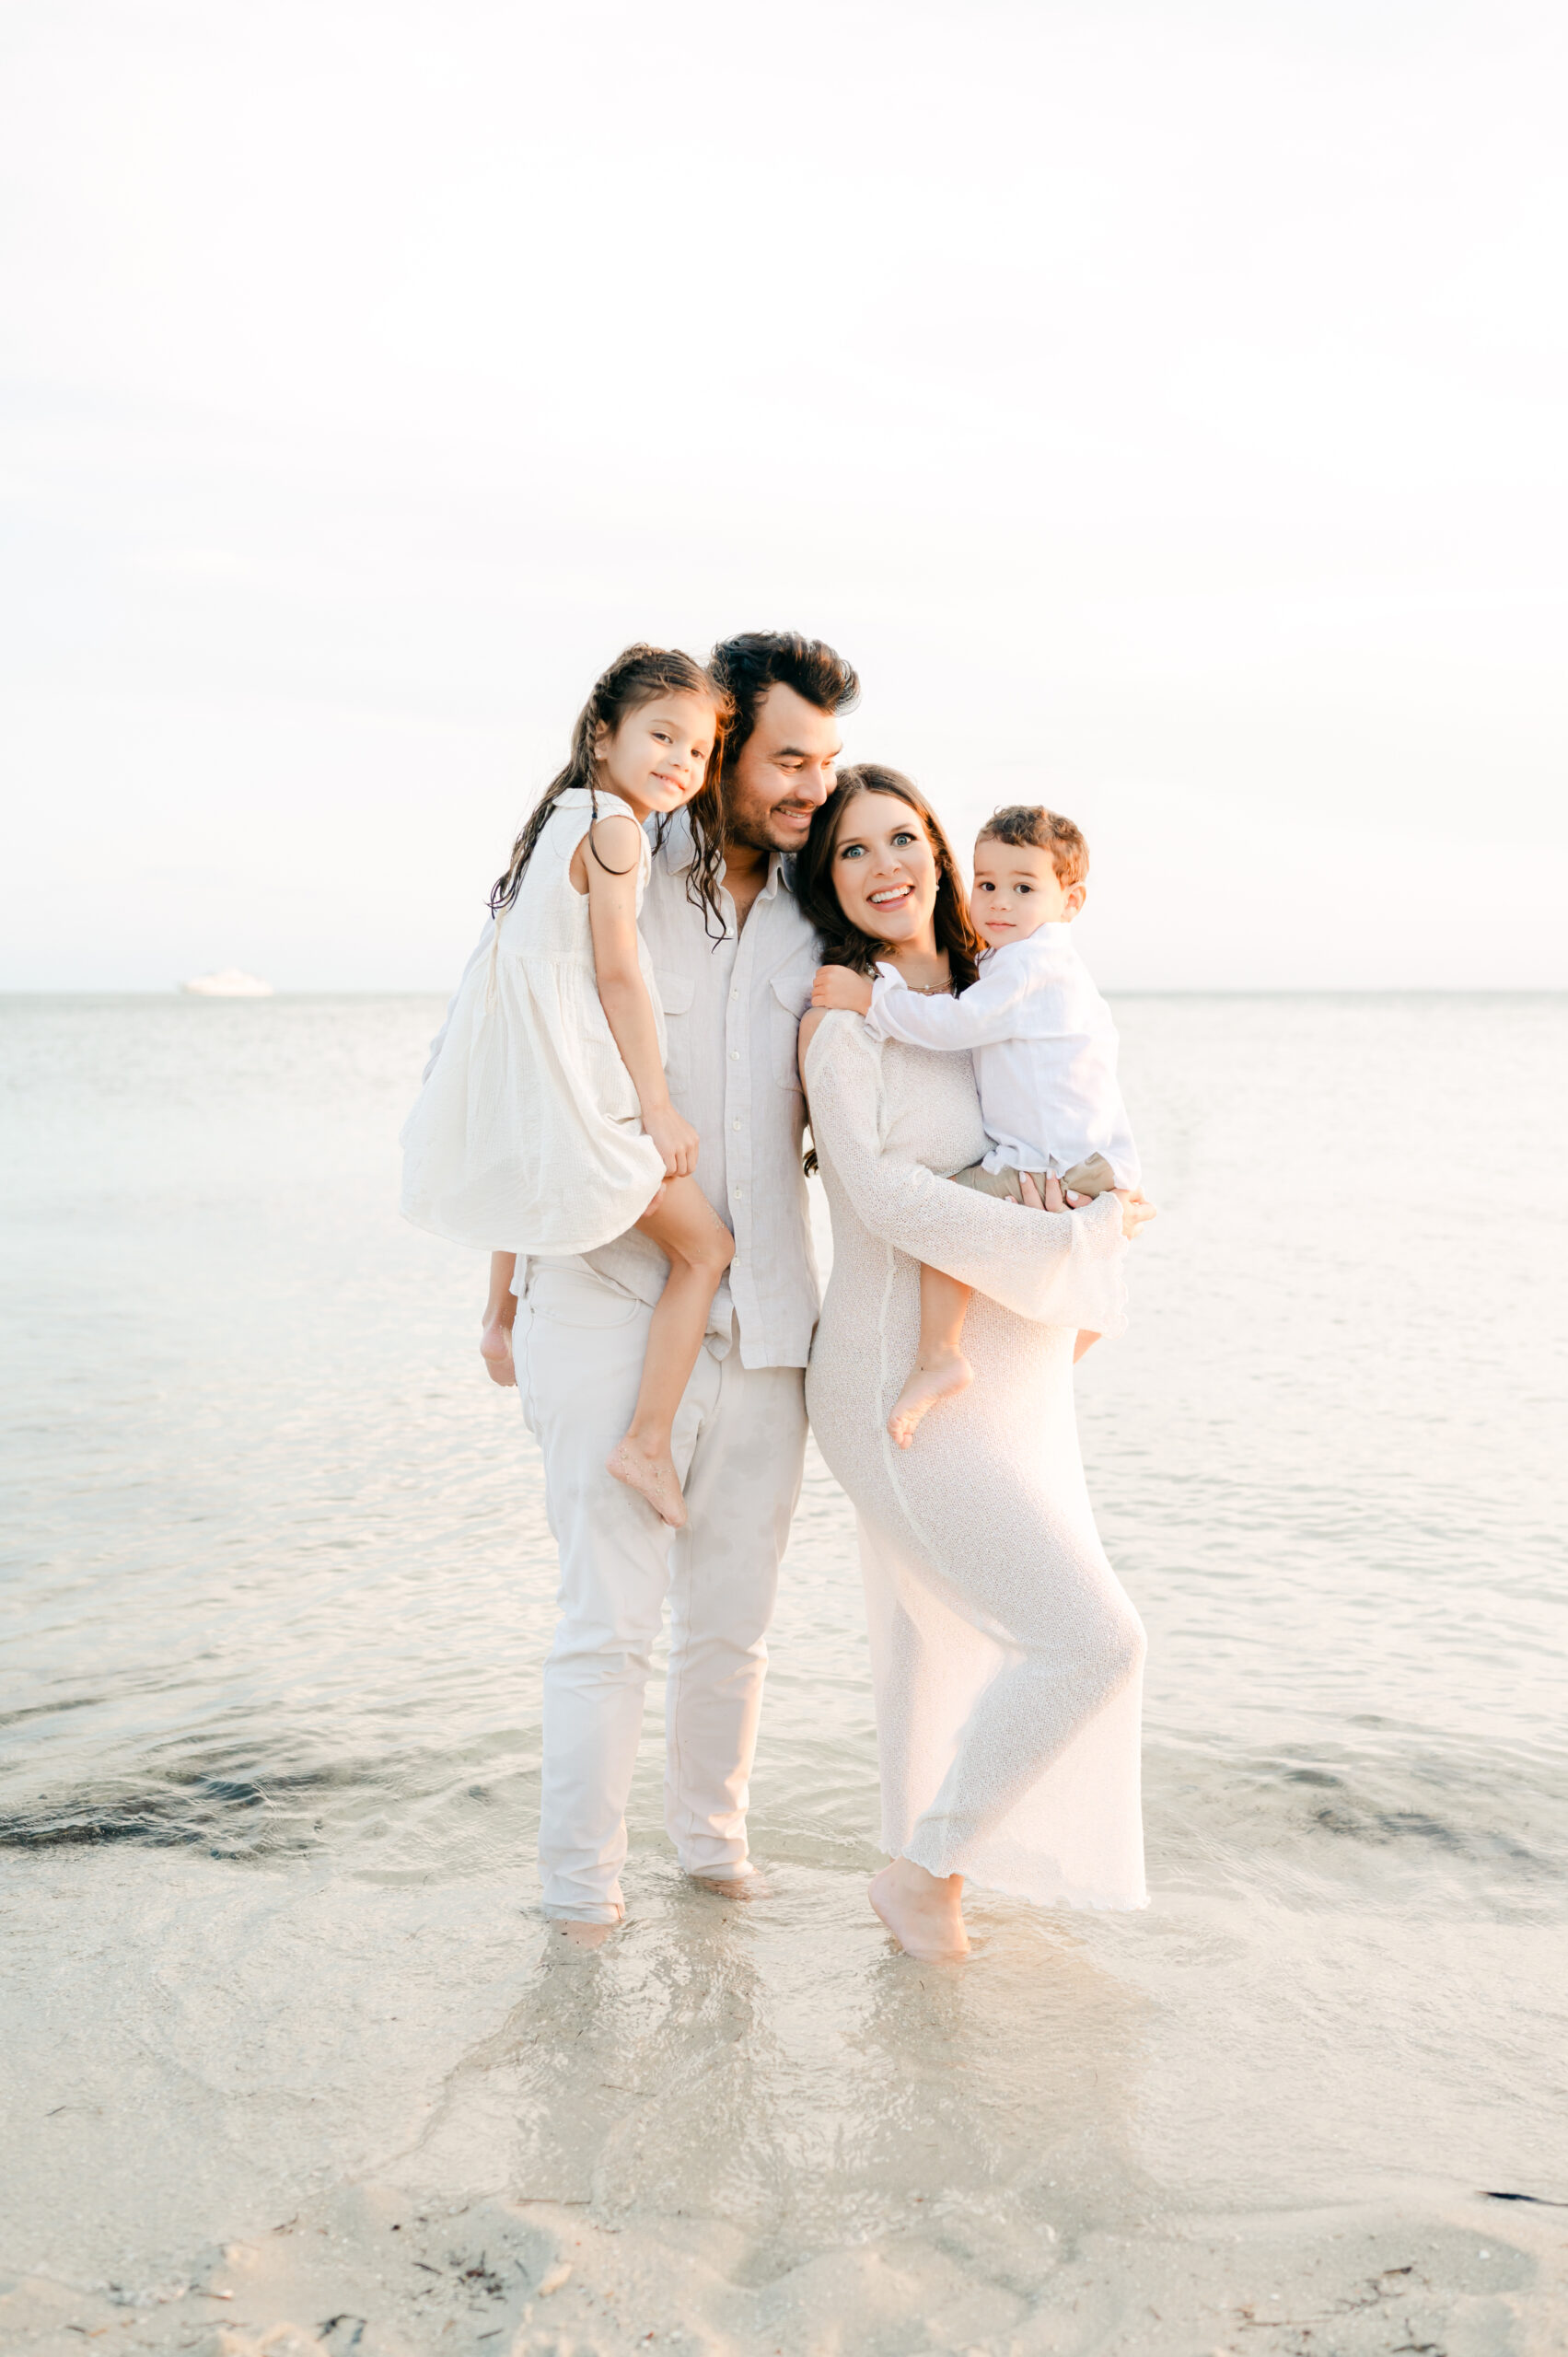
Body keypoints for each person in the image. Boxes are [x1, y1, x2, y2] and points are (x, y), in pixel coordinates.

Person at [421, 630, 859, 1939]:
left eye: (822, 765)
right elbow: (505, 1070)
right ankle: (577, 1902)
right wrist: (499, 1295)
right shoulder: (602, 858)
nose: (805, 788)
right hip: (605, 1294)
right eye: (783, 758)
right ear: (720, 748)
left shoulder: (814, 907)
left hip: (769, 1316)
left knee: (735, 1624)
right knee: (604, 1623)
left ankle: (712, 1857)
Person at [795, 765, 1156, 1963]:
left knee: (944, 1655)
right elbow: (883, 1196)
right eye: (852, 851)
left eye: (903, 837)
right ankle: (923, 1870)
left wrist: (1106, 1207)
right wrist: (1063, 1233)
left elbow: (1065, 1119)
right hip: (891, 1377)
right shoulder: (843, 1016)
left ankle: (939, 1883)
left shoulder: (993, 984)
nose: (886, 864)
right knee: (1092, 1640)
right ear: (826, 881)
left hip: (1003, 1377)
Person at [401, 645, 738, 1529]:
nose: (680, 762)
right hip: (588, 1102)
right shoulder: (618, 830)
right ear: (603, 734)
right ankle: (647, 1442)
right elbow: (621, 978)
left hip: (537, 1098)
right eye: (660, 736)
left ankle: (497, 1319)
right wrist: (656, 1109)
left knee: (533, 1188)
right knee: (706, 1251)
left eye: (698, 751)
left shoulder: (555, 822)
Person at [810, 798, 1142, 1447]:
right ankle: (1043, 1368)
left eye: (1022, 888)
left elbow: (955, 1026)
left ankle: (941, 1354)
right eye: (986, 884)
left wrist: (872, 998)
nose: (997, 902)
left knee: (956, 1209)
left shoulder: (1024, 965)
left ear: (1070, 902)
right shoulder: (1022, 964)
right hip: (1084, 1154)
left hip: (1046, 1161)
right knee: (1087, 1287)